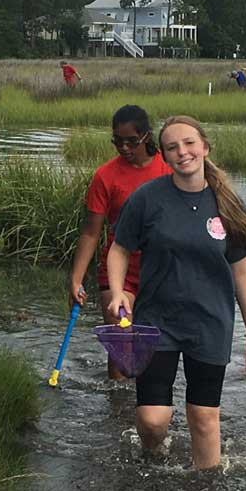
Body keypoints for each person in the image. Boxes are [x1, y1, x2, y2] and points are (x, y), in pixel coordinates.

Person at [107, 116, 246, 470]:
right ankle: (153, 454)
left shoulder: (228, 203)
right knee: (152, 420)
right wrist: (118, 292)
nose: (183, 152)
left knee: (204, 418)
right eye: (173, 147)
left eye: (190, 143)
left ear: (205, 147)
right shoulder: (147, 199)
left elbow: (241, 271)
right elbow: (119, 248)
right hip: (155, 321)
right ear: (164, 155)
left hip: (210, 325)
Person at [70, 105, 173, 380]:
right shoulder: (105, 176)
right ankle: (118, 415)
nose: (124, 148)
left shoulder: (169, 168)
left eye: (131, 141)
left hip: (159, 272)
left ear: (147, 136)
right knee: (122, 350)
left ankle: (146, 414)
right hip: (118, 271)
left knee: (154, 354)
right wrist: (76, 280)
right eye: (118, 141)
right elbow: (91, 232)